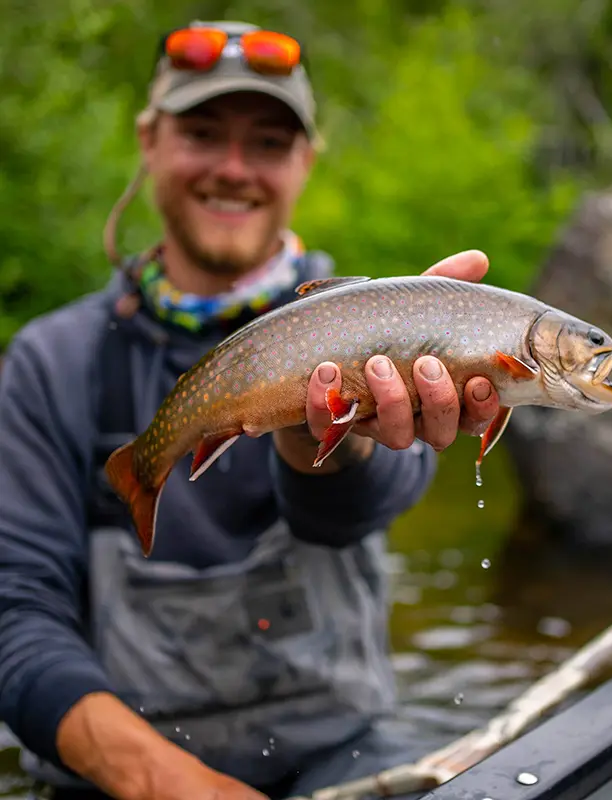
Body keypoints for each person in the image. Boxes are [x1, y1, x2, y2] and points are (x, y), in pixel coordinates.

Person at [0, 19, 500, 800]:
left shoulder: (386, 322)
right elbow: (13, 614)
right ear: (149, 140)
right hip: (120, 769)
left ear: (306, 160)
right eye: (203, 132)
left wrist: (325, 443)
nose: (234, 169)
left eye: (268, 142)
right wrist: (170, 784)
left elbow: (364, 509)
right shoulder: (50, 363)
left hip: (340, 760)